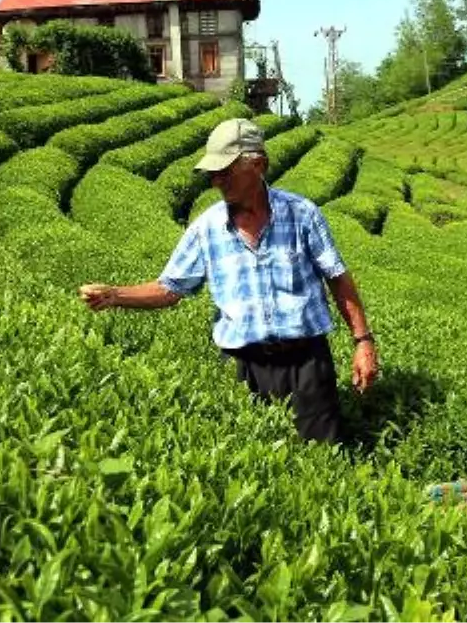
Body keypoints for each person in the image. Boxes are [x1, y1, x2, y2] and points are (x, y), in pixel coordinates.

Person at [79, 117, 379, 443]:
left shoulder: (302, 214)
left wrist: (363, 342)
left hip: (306, 363)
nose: (217, 182)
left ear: (259, 164)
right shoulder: (205, 228)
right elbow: (169, 287)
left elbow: (337, 277)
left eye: (226, 172)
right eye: (212, 174)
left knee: (323, 458)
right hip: (243, 366)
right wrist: (115, 295)